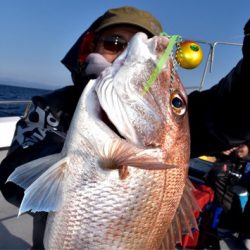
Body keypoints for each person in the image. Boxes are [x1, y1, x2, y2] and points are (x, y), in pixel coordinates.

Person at [0, 5, 249, 249]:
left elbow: (228, 115)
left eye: (176, 103)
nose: (125, 54)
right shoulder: (52, 106)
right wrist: (79, 156)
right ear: (90, 47)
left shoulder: (173, 135)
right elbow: (13, 179)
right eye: (115, 44)